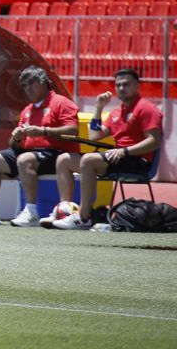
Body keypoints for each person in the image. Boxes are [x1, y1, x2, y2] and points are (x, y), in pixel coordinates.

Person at [47, 67, 163, 230]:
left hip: (138, 160)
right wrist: (99, 108)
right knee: (64, 159)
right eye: (118, 85)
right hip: (118, 157)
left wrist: (124, 151)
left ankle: (83, 216)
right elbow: (95, 135)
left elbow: (154, 141)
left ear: (137, 85)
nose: (121, 88)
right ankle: (63, 210)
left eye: (126, 84)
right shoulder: (116, 112)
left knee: (88, 161)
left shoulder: (147, 109)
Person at [0, 65, 79, 226]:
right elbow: (15, 145)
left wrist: (44, 131)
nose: (28, 88)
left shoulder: (61, 102)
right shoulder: (27, 110)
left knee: (25, 159)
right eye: (25, 85)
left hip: (57, 154)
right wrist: (16, 138)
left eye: (32, 83)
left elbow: (73, 130)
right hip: (30, 153)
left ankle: (31, 212)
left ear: (44, 82)